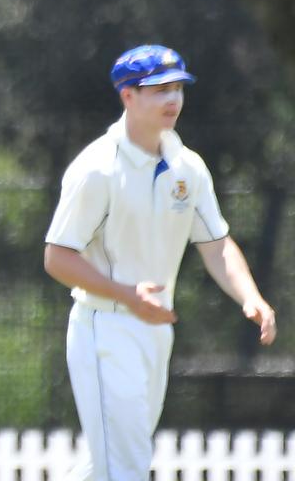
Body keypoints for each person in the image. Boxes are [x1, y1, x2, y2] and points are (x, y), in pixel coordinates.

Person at [42, 44, 277, 480]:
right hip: (104, 329)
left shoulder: (188, 167)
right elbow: (58, 256)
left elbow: (216, 244)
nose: (173, 100)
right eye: (158, 90)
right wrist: (126, 296)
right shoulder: (97, 169)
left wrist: (251, 296)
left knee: (106, 464)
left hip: (155, 331)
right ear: (127, 96)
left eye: (177, 89)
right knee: (125, 466)